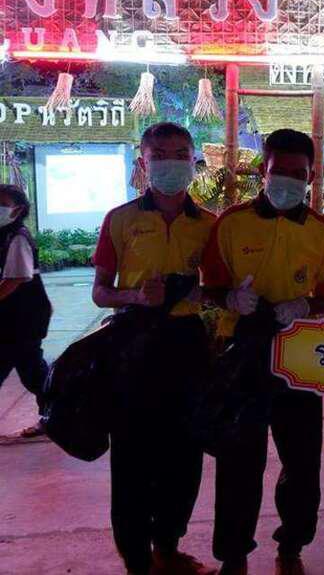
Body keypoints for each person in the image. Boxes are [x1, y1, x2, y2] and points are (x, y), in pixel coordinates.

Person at [202, 129, 324, 575]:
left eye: (298, 173)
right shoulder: (231, 223)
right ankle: (234, 555)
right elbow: (209, 287)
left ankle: (292, 546)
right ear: (263, 170)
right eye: (279, 170)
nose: (288, 180)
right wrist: (229, 299)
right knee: (239, 459)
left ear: (311, 176)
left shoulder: (321, 232)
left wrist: (306, 305)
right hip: (242, 355)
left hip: (300, 357)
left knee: (302, 461)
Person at [91, 122, 216, 575]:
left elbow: (215, 288)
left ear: (193, 161)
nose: (170, 162)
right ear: (143, 163)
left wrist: (205, 295)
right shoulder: (120, 219)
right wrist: (135, 297)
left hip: (187, 344)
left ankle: (167, 545)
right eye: (159, 154)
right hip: (133, 345)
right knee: (131, 454)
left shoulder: (209, 224)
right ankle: (136, 558)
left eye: (180, 154)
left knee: (185, 452)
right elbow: (100, 292)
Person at [0, 184, 52, 438]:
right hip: (11, 317)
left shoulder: (18, 237)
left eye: (2, 205)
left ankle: (56, 416)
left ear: (18, 210)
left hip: (25, 317)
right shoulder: (4, 235)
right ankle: (55, 415)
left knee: (32, 371)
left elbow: (16, 278)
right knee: (29, 368)